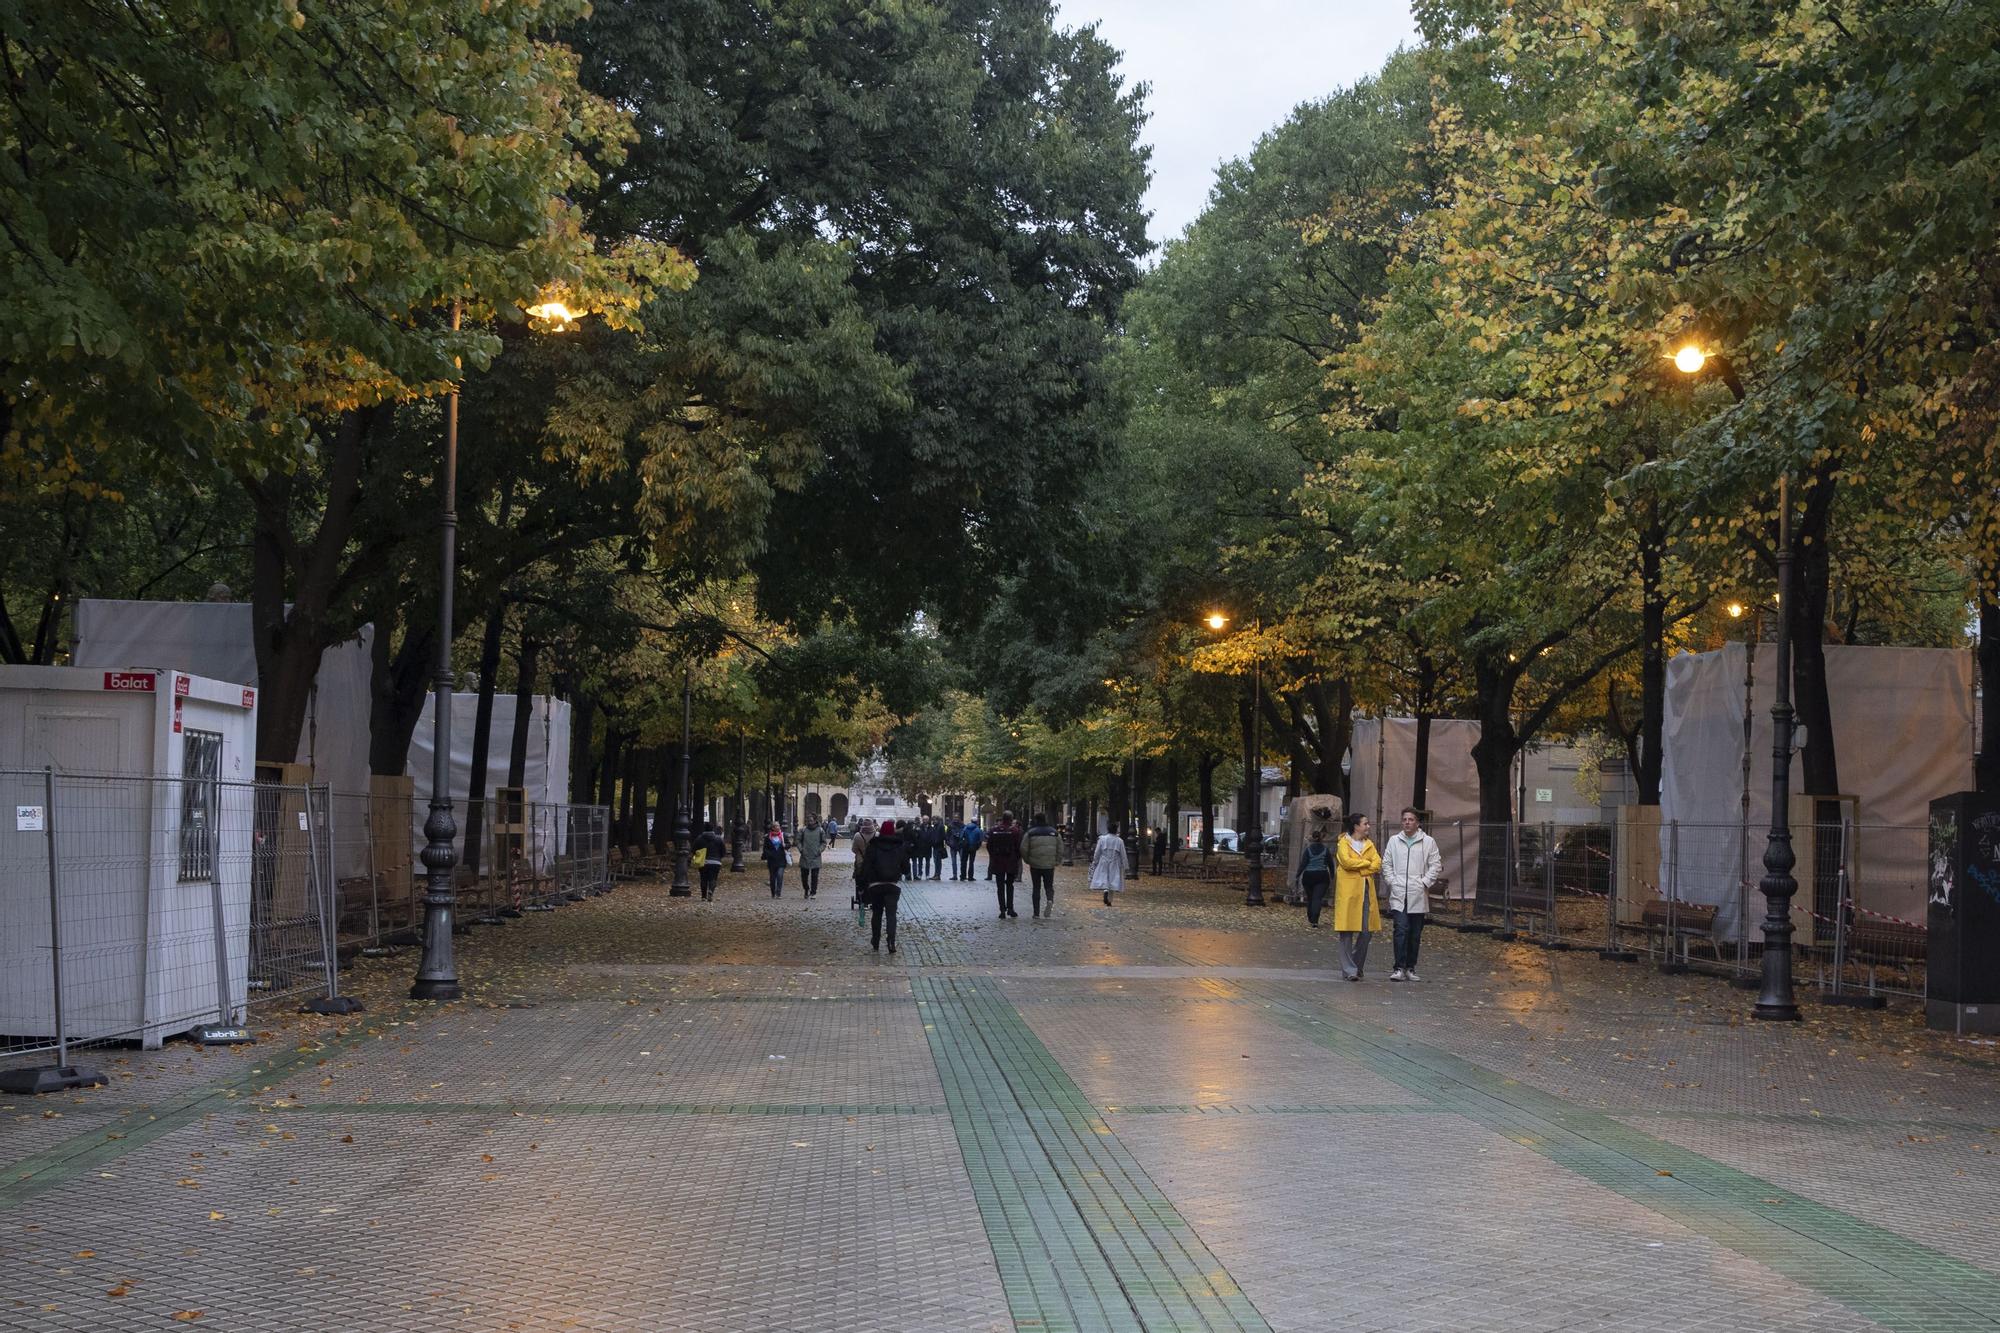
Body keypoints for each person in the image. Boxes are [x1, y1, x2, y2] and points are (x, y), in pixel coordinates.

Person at [1382, 806, 1441, 981]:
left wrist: (1424, 883)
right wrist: (1392, 881)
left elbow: (1435, 865)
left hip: (1417, 893)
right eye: (1404, 819)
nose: (1407, 823)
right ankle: (1398, 967)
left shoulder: (1428, 842)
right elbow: (1387, 863)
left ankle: (1410, 967)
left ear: (1418, 822)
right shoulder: (1394, 840)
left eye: (1411, 819)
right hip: (1399, 893)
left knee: (1415, 933)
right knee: (1400, 929)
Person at [1333, 812, 1382, 981]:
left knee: (1367, 931)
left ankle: (1356, 965)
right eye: (1366, 823)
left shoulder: (1369, 844)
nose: (1368, 826)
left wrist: (1360, 868)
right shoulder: (1343, 843)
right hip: (1348, 892)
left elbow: (1377, 864)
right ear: (1356, 826)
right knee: (1346, 931)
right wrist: (1366, 864)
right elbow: (1345, 862)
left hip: (1366, 890)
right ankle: (1349, 970)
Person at [857, 818, 909, 953]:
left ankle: (875, 940)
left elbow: (866, 867)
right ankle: (891, 941)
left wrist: (862, 884)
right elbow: (906, 869)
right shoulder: (900, 846)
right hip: (892, 885)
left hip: (876, 885)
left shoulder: (873, 846)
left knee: (877, 913)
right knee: (891, 915)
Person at [1023, 812, 1062, 917]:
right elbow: (1060, 848)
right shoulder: (1054, 833)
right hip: (1049, 865)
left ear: (1036, 820)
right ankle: (1049, 899)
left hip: (1035, 864)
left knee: (1036, 887)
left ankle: (1036, 913)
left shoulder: (1030, 833)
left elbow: (1023, 848)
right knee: (1049, 886)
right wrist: (1057, 861)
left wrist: (1027, 860)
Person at [985, 812, 1023, 918]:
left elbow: (989, 846)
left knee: (1000, 886)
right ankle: (1010, 909)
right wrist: (1016, 858)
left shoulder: (994, 830)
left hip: (998, 862)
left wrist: (993, 856)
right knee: (1010, 885)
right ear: (1011, 819)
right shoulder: (1015, 831)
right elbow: (1019, 847)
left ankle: (1002, 910)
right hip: (1011, 862)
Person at [1294, 826, 1334, 926]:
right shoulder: (1325, 850)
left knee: (1310, 898)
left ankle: (1310, 917)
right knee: (1317, 898)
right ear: (1321, 838)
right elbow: (1330, 864)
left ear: (1312, 838)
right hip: (1322, 876)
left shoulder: (1308, 850)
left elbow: (1303, 864)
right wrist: (1332, 875)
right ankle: (1315, 919)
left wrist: (1297, 875)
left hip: (1308, 877)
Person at [1090, 821, 1127, 905]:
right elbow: (1123, 853)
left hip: (1104, 860)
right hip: (1115, 861)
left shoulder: (1102, 839)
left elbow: (1097, 851)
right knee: (1113, 879)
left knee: (1104, 877)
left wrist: (1095, 861)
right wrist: (1125, 865)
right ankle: (1110, 900)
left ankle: (1105, 890)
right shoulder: (1119, 841)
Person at [849, 817, 877, 923]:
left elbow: (853, 849)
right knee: (872, 882)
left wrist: (861, 853)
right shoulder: (876, 835)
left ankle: (862, 901)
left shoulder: (857, 836)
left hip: (860, 862)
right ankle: (872, 900)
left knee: (861, 881)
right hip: (873, 863)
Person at [796, 813, 827, 900]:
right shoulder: (803, 830)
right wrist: (801, 849)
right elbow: (798, 840)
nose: (809, 822)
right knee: (804, 876)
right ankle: (806, 889)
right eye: (808, 820)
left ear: (815, 821)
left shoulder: (820, 830)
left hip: (815, 856)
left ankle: (813, 892)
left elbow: (824, 842)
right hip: (805, 855)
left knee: (815, 876)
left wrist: (819, 850)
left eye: (811, 820)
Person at [696, 820, 728, 900]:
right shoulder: (718, 839)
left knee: (703, 878)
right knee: (713, 878)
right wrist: (719, 857)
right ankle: (710, 891)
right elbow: (723, 851)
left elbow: (694, 849)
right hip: (716, 862)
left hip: (703, 861)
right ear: (713, 829)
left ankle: (703, 896)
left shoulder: (699, 838)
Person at [761, 822, 788, 898]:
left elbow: (788, 845)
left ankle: (778, 893)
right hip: (772, 861)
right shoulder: (768, 837)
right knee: (772, 878)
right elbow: (765, 848)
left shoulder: (783, 836)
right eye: (776, 826)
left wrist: (785, 845)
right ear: (772, 828)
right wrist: (769, 854)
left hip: (781, 859)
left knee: (780, 876)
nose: (778, 827)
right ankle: (773, 892)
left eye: (778, 826)